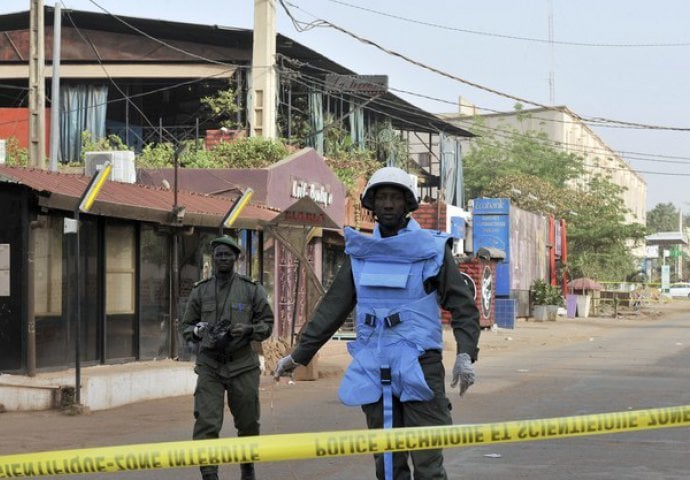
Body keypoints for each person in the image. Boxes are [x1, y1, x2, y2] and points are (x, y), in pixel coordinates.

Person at [275, 166, 480, 480]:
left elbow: (463, 306)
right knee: (386, 464)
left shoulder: (433, 251)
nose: (387, 204)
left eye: (394, 198)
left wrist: (466, 354)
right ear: (371, 204)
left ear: (407, 204)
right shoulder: (361, 253)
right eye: (381, 197)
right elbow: (332, 309)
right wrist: (298, 355)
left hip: (420, 364)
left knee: (427, 463)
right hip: (374, 365)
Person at [181, 235, 274, 480]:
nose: (223, 258)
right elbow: (186, 326)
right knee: (206, 422)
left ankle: (247, 468)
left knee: (248, 423)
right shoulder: (200, 291)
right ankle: (209, 474)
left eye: (227, 254)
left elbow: (267, 323)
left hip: (243, 364)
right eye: (218, 254)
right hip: (210, 365)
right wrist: (199, 331)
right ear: (213, 258)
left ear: (236, 258)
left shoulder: (251, 289)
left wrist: (249, 330)